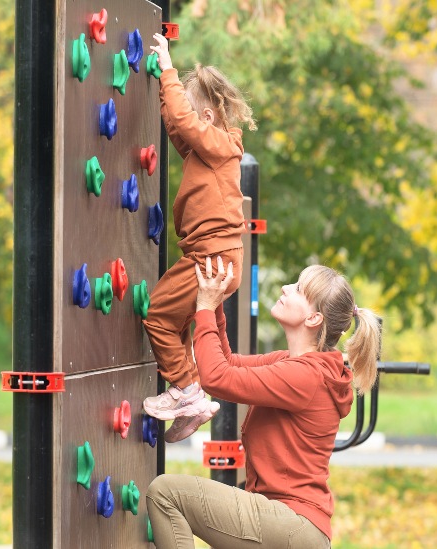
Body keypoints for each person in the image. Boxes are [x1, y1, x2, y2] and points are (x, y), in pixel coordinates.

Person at [146, 257, 381, 548]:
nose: (285, 288)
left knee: (166, 494)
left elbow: (216, 378)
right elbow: (228, 363)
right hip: (290, 524)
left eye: (297, 289)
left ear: (313, 319)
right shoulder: (292, 363)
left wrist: (204, 309)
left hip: (292, 522)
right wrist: (216, 303)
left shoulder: (305, 376)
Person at [142, 34, 256, 443]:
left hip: (211, 258)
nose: (185, 120)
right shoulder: (204, 150)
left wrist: (169, 69)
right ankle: (192, 405)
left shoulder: (221, 145)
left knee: (157, 317)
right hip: (216, 258)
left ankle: (186, 390)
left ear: (207, 117)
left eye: (191, 112)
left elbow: (185, 123)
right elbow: (178, 128)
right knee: (178, 324)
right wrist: (160, 85)